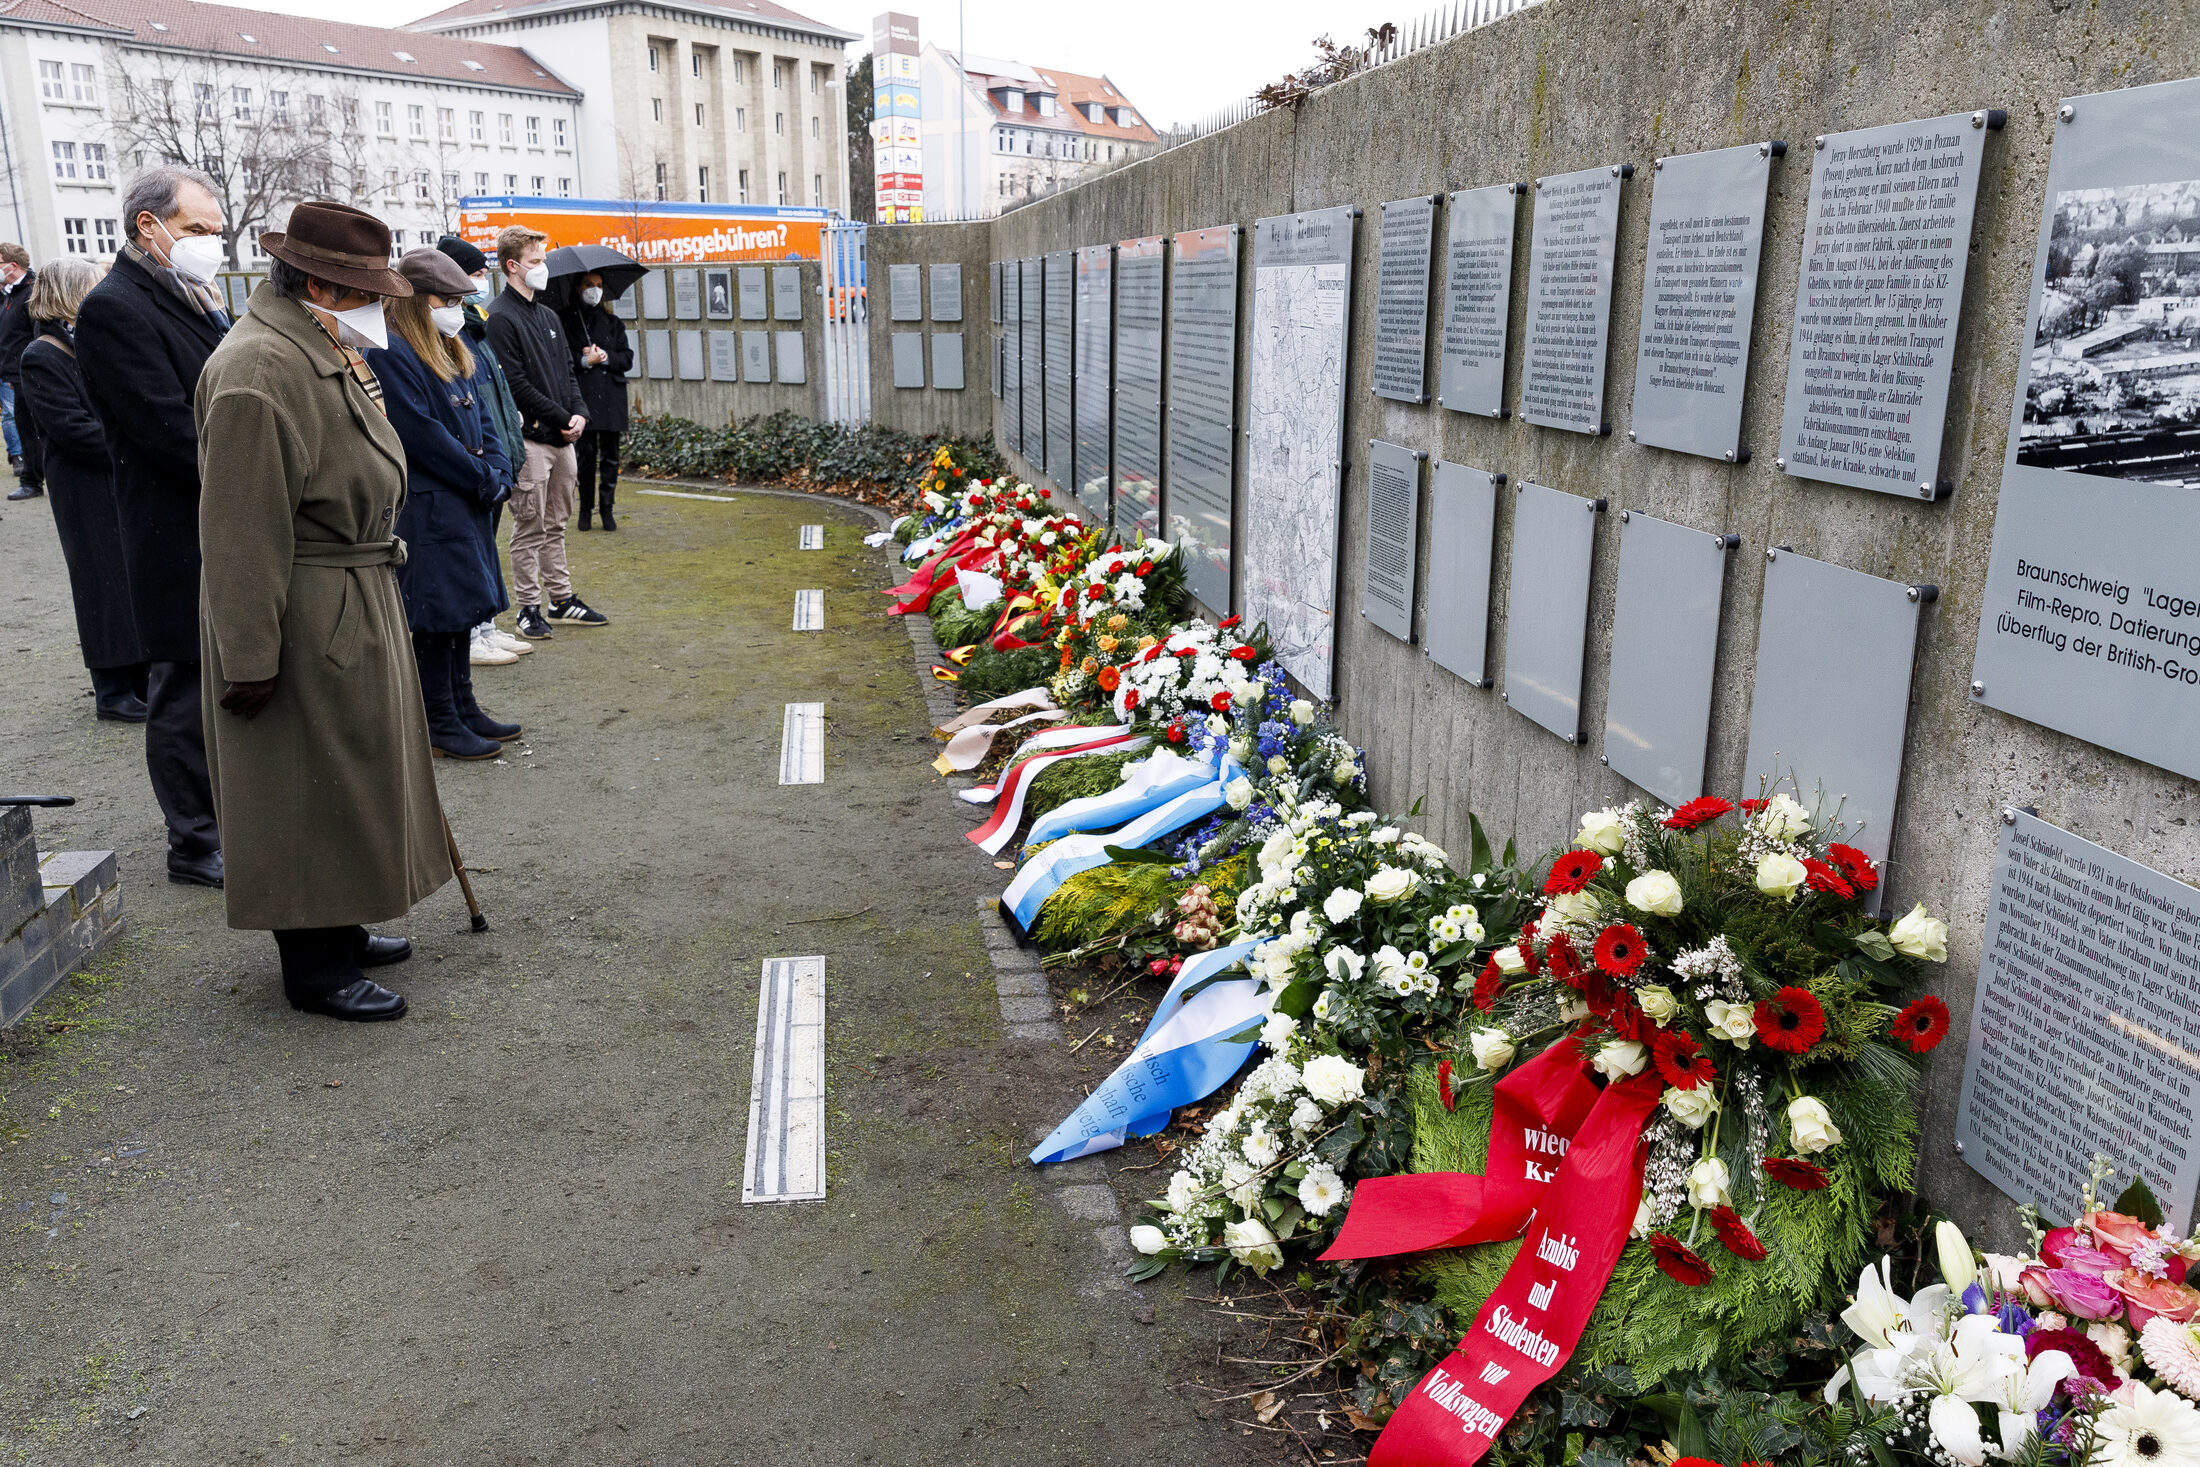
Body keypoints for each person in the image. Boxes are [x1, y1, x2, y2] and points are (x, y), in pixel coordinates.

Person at [195, 200, 450, 1022]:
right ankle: (312, 962)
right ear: (318, 285)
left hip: (345, 590)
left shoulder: (311, 348)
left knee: (350, 768)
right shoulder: (259, 369)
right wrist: (249, 656)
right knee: (301, 778)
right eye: (365, 290)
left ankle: (337, 924)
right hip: (301, 603)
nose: (383, 304)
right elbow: (241, 533)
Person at [75, 166, 230, 889]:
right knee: (182, 684)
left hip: (220, 520)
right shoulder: (115, 307)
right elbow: (169, 429)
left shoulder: (193, 294)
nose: (212, 244)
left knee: (223, 677)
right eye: (199, 230)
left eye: (215, 231)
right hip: (175, 528)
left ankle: (227, 819)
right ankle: (194, 841)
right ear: (150, 226)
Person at [366, 248, 518, 760]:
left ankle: (462, 706)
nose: (456, 307)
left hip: (465, 500)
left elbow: (487, 419)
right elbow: (420, 434)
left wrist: (498, 471)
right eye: (447, 298)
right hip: (432, 505)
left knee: (462, 611)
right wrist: (481, 476)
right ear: (414, 298)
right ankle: (439, 721)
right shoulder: (391, 349)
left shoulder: (450, 344)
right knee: (436, 618)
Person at [16, 257, 150, 722]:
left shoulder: (80, 346)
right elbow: (71, 429)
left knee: (127, 580)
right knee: (101, 583)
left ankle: (137, 679)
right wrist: (130, 443)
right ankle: (111, 690)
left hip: (112, 480)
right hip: (83, 490)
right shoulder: (42, 356)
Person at [484, 225, 609, 638]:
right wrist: (561, 417)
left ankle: (561, 599)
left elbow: (568, 373)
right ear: (512, 266)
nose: (542, 269)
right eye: (536, 262)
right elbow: (515, 384)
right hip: (531, 440)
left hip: (562, 436)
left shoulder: (548, 315)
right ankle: (528, 607)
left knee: (556, 523)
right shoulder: (500, 317)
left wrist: (580, 413)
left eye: (543, 260)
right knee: (529, 526)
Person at [434, 234, 533, 668]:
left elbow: (495, 395)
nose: (481, 282)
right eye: (473, 275)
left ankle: (487, 626)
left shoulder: (475, 325)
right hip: (473, 466)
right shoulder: (456, 331)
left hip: (493, 458)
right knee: (471, 551)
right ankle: (473, 633)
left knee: (485, 548)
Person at [561, 270, 633, 532]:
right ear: (578, 287)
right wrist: (583, 360)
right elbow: (562, 359)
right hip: (586, 397)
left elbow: (627, 358)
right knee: (586, 455)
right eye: (589, 285)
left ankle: (607, 509)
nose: (595, 289)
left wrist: (605, 356)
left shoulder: (613, 323)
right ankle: (585, 510)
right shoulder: (566, 321)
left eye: (599, 285)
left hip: (612, 397)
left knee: (611, 456)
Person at [1, 243, 44, 501]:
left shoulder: (31, 292)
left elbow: (36, 334)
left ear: (12, 265)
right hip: (15, 375)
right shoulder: (10, 294)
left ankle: (32, 481)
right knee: (27, 428)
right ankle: (33, 477)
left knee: (30, 431)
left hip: (28, 375)